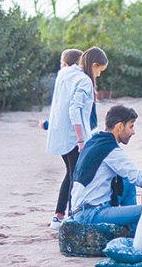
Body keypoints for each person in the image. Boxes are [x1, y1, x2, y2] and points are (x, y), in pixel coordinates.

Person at [46, 46, 108, 229]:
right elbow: (75, 109)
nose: (99, 75)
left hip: (60, 134)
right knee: (77, 177)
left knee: (71, 173)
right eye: (99, 70)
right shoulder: (84, 80)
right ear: (94, 65)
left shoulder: (65, 73)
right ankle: (71, 217)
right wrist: (81, 140)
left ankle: (59, 216)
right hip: (74, 136)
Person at [69, 104, 142, 229]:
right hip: (91, 213)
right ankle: (133, 232)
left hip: (81, 209)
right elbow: (140, 179)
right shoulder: (110, 149)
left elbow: (131, 176)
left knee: (127, 180)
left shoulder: (94, 141)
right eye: (131, 127)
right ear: (120, 126)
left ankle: (132, 230)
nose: (133, 132)